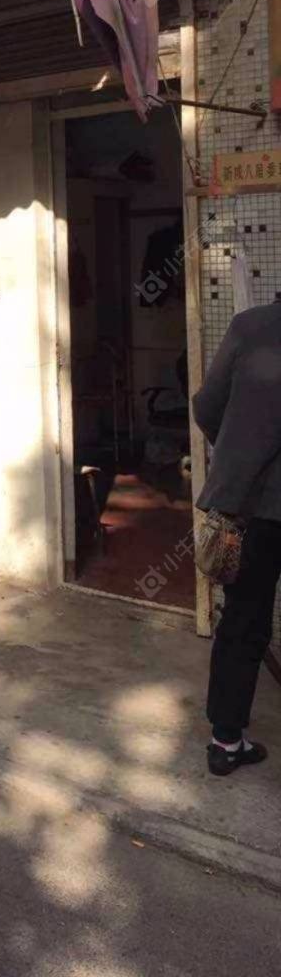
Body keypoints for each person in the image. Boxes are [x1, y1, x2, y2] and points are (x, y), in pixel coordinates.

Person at [193, 302, 281, 777]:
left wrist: (236, 449)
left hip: (249, 505)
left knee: (242, 621)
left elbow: (208, 405)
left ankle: (226, 742)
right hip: (256, 506)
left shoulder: (250, 326)